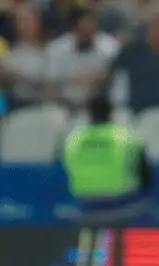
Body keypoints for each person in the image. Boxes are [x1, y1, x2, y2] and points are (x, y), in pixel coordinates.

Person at [62, 95, 152, 227]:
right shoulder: (128, 137)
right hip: (121, 203)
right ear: (111, 111)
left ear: (88, 112)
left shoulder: (74, 139)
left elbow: (68, 169)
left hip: (86, 204)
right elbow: (146, 177)